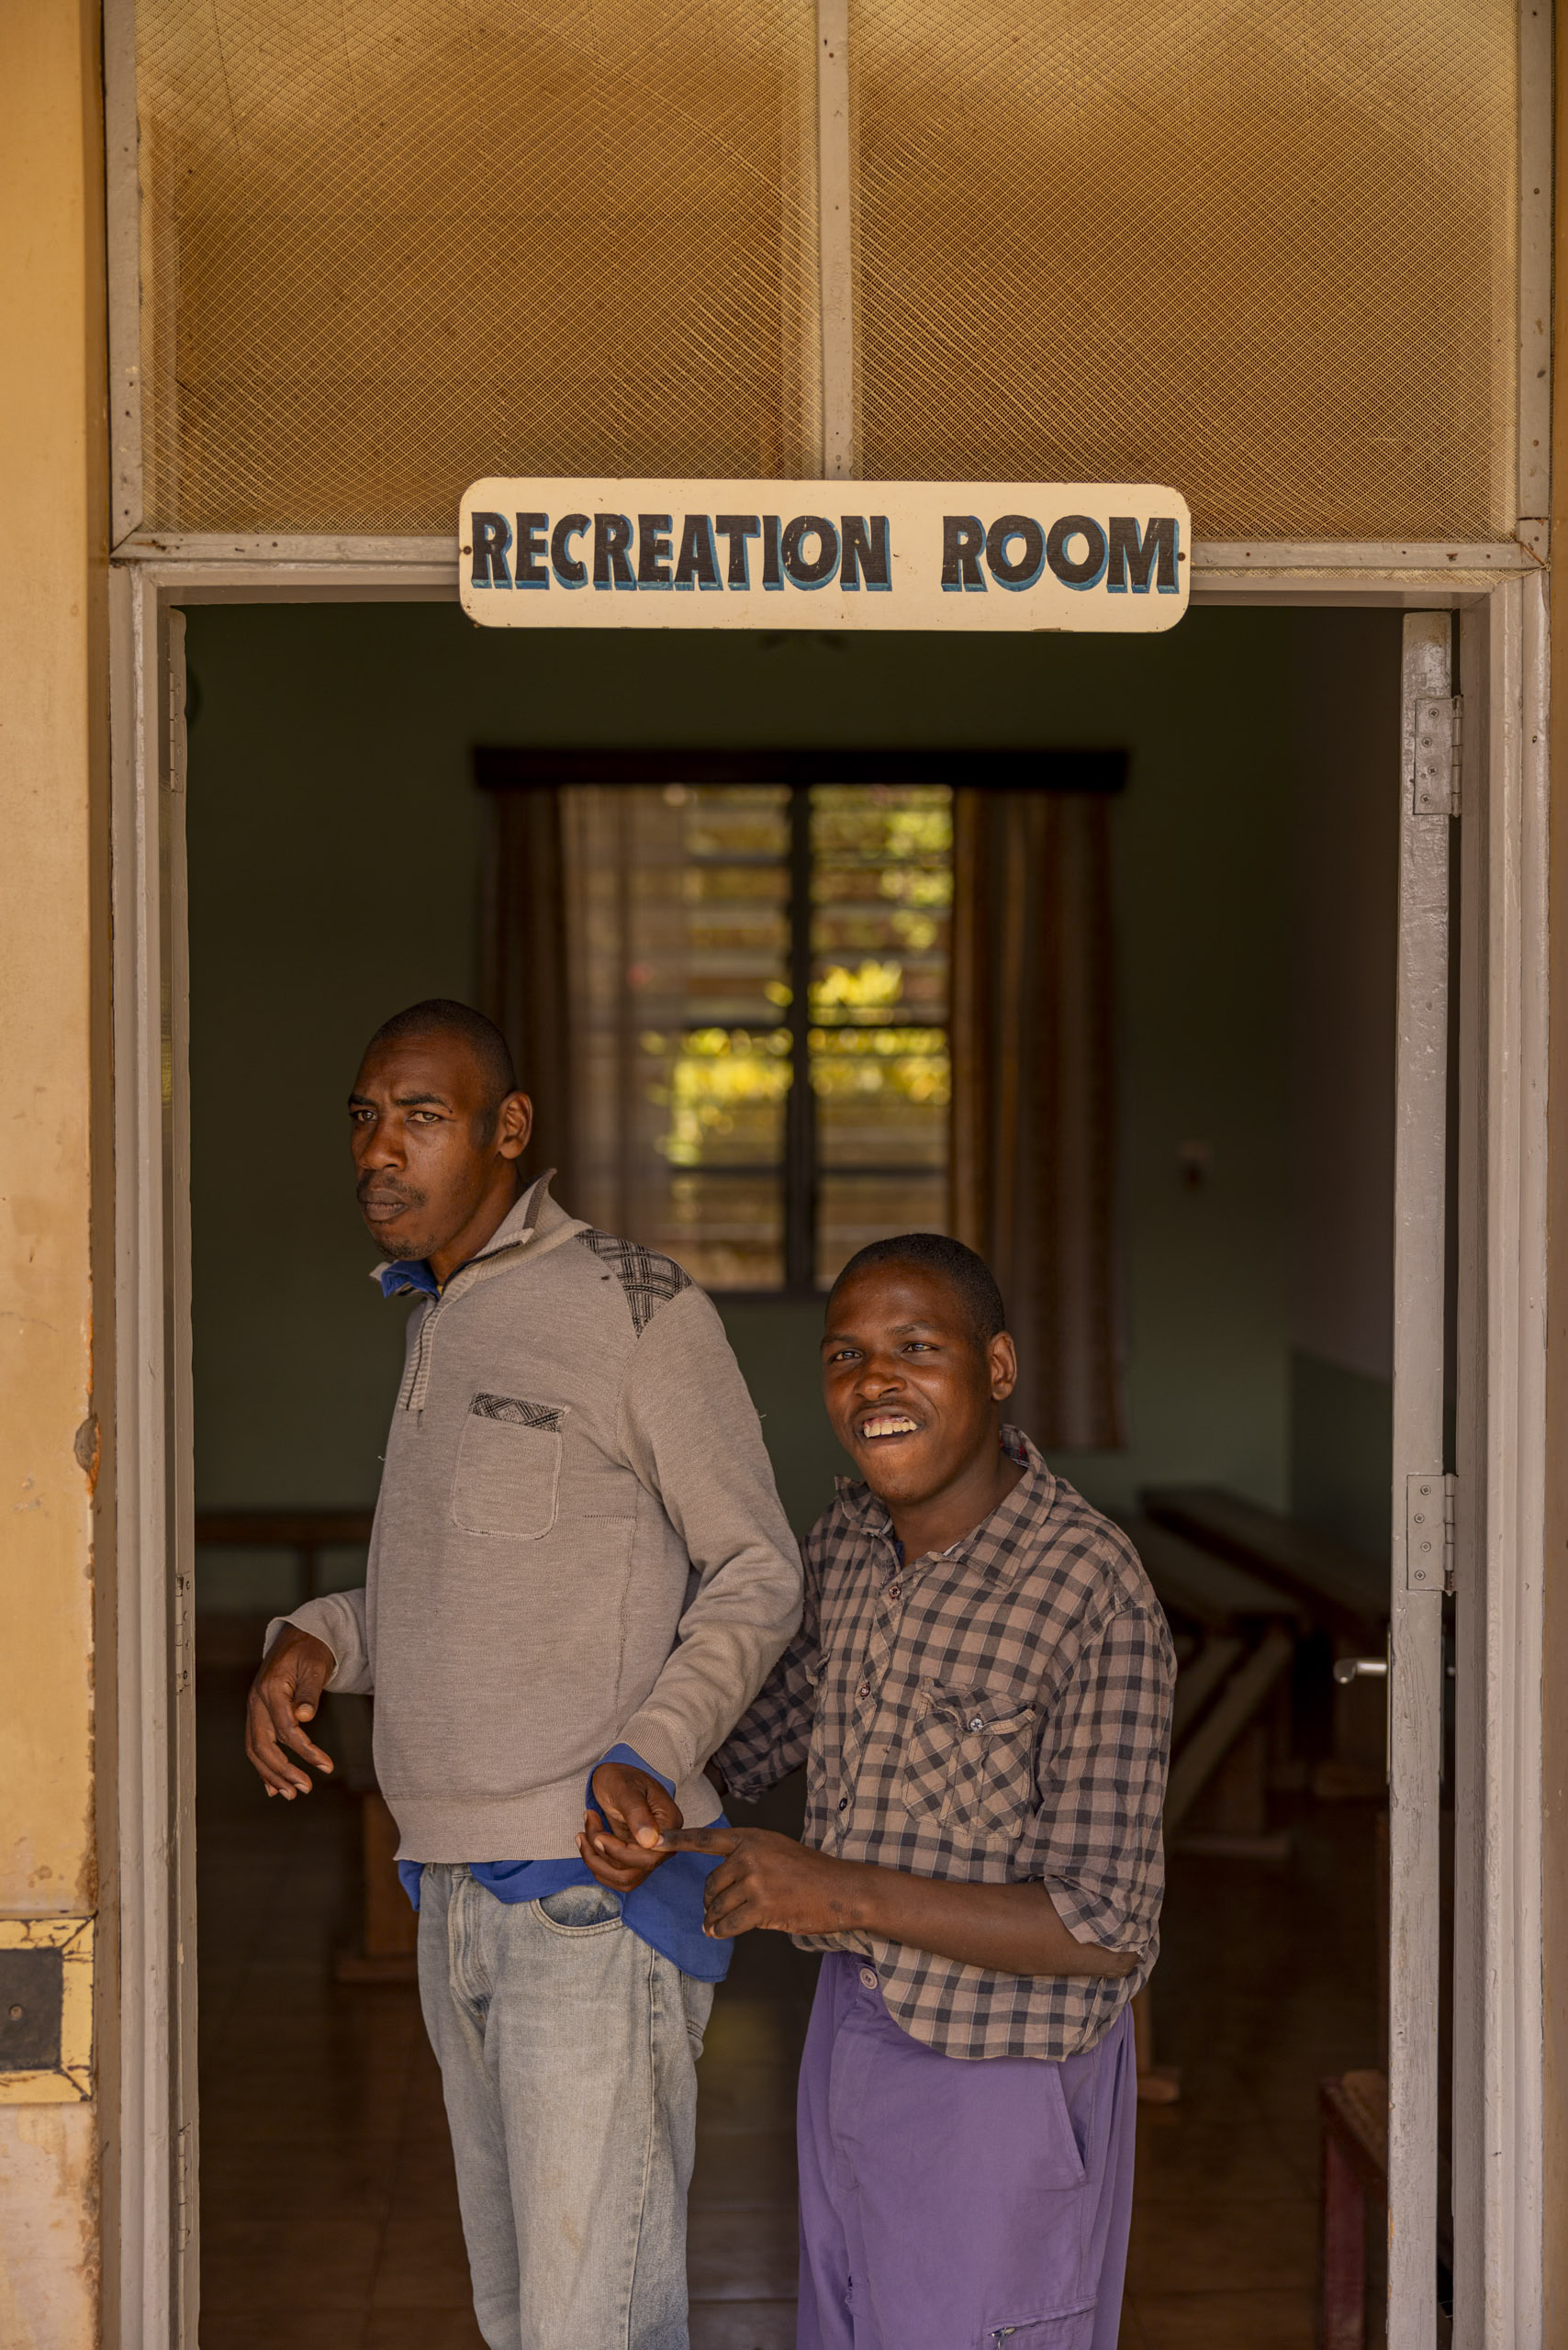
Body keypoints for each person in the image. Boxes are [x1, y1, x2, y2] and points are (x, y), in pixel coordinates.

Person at [244, 999, 802, 2350]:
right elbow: (467, 1587)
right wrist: (318, 1634)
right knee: (527, 2321)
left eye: (420, 1117)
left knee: (588, 2329)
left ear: (509, 1129)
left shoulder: (635, 1307)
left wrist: (651, 1749)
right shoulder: (439, 1314)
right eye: (365, 1118)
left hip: (587, 1908)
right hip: (450, 1895)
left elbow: (759, 1568)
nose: (381, 1148)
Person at [584, 1230, 1174, 2350]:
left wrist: (836, 1891)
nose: (875, 1381)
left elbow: (1103, 1923)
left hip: (1004, 2074)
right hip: (855, 2031)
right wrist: (655, 1801)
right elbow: (758, 1730)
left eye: (916, 1346)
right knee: (846, 2323)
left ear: (996, 1369)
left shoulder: (1089, 1590)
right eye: (845, 1355)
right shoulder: (851, 1541)